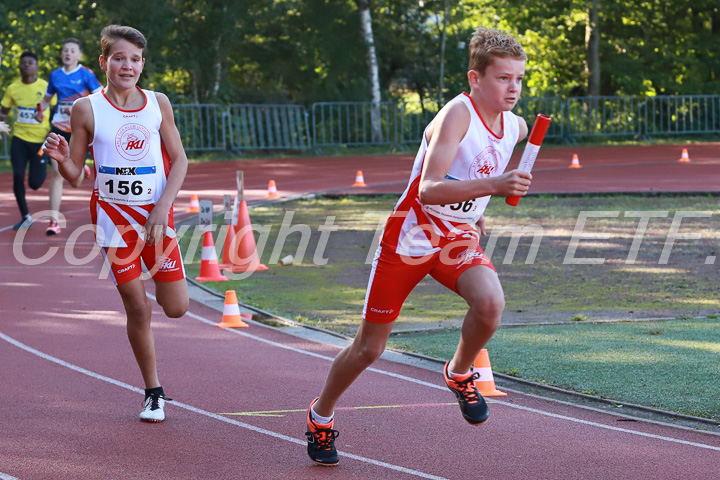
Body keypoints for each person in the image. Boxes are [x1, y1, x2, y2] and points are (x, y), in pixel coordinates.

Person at [304, 26, 532, 465]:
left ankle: (459, 371)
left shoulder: (516, 127)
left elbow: (474, 172)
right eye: (503, 78)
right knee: (370, 348)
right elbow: (428, 188)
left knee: (490, 304)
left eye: (519, 79)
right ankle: (321, 415)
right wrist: (495, 185)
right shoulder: (456, 114)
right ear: (475, 79)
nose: (513, 88)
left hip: (457, 235)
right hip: (412, 235)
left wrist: (478, 204)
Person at [44, 25, 189, 423]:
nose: (129, 66)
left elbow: (181, 160)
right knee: (137, 308)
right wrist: (61, 157)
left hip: (156, 216)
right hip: (112, 218)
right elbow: (75, 173)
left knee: (176, 308)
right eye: (120, 58)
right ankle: (153, 393)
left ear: (143, 63)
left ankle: (163, 281)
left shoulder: (158, 102)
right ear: (104, 62)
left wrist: (163, 207)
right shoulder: (86, 108)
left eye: (136, 59)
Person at [36, 37, 102, 236]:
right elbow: (46, 99)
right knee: (57, 173)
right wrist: (39, 110)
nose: (67, 54)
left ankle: (82, 168)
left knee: (75, 181)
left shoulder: (86, 75)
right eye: (65, 50)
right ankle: (53, 221)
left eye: (72, 51)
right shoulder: (55, 75)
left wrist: (80, 113)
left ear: (79, 55)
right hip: (58, 128)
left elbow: (100, 99)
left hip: (79, 131)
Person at [0, 51, 54, 229]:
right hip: (20, 139)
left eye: (30, 62)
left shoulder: (47, 87)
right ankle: (25, 216)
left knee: (35, 183)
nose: (26, 65)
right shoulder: (13, 88)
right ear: (19, 66)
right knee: (17, 175)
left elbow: (58, 110)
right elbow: (3, 113)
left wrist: (53, 130)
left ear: (36, 66)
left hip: (40, 142)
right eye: (23, 63)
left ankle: (44, 160)